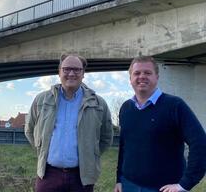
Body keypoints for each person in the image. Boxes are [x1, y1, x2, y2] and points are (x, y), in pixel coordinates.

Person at [114, 56, 206, 192]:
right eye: (137, 73)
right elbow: (124, 147)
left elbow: (200, 142)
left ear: (157, 77)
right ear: (130, 79)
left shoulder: (175, 105)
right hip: (128, 185)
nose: (142, 76)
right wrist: (119, 179)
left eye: (147, 73)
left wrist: (185, 184)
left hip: (163, 188)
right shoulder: (126, 108)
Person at [25, 53, 113, 192]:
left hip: (81, 177)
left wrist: (89, 155)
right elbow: (29, 129)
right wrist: (42, 150)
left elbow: (106, 137)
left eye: (77, 69)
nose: (71, 73)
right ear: (59, 72)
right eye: (66, 69)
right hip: (48, 175)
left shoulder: (98, 103)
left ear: (83, 73)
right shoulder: (41, 100)